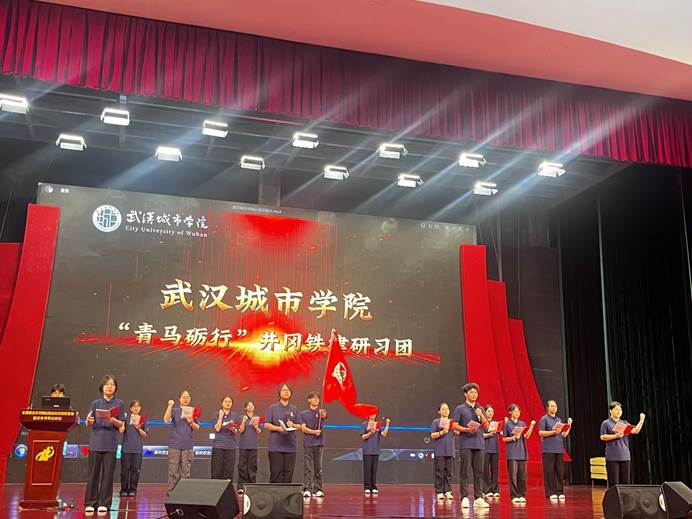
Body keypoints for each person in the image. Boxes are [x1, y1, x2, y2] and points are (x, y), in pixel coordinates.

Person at [83, 375, 125, 515]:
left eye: (112, 384)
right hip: (95, 443)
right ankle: (90, 503)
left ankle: (104, 503)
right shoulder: (95, 404)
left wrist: (112, 419)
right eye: (107, 384)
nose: (109, 387)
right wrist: (88, 421)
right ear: (102, 387)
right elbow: (88, 423)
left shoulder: (119, 404)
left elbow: (121, 427)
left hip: (110, 443)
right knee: (93, 474)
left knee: (108, 475)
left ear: (115, 387)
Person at [452, 382, 489, 509]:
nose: (474, 394)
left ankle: (479, 497)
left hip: (479, 444)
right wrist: (467, 430)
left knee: (479, 472)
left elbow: (486, 427)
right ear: (465, 394)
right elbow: (455, 425)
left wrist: (482, 415)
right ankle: (464, 497)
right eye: (471, 392)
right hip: (466, 443)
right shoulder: (460, 409)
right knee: (465, 472)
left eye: (476, 392)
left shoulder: (480, 408)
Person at [599, 401, 645, 487]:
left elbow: (635, 431)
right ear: (610, 411)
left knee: (625, 482)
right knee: (614, 483)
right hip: (612, 456)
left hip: (625, 455)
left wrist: (641, 420)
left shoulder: (624, 423)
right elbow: (602, 437)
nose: (619, 411)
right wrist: (616, 436)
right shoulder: (606, 423)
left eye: (620, 410)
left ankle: (624, 496)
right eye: (616, 409)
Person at [164, 390, 200, 495]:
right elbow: (166, 420)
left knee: (185, 471)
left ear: (190, 399)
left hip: (187, 445)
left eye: (187, 397)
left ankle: (184, 493)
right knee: (173, 471)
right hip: (174, 445)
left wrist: (191, 421)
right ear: (179, 398)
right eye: (183, 397)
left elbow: (197, 427)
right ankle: (171, 493)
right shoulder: (175, 410)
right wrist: (169, 406)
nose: (185, 399)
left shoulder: (193, 411)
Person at [264, 383, 299, 483]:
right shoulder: (272, 408)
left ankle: (286, 493)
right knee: (276, 474)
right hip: (276, 446)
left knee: (288, 475)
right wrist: (278, 428)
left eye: (288, 390)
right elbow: (266, 424)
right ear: (279, 393)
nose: (286, 392)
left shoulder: (294, 409)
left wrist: (293, 425)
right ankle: (275, 493)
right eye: (284, 390)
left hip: (290, 446)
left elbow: (300, 425)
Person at [538, 400, 572, 501]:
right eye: (552, 406)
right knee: (549, 471)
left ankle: (560, 492)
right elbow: (540, 433)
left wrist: (569, 426)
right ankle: (550, 492)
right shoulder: (544, 419)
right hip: (548, 449)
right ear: (547, 408)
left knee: (560, 471)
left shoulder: (559, 420)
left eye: (555, 406)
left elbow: (564, 435)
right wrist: (553, 432)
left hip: (559, 449)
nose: (554, 408)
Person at [502, 404, 535, 504]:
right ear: (510, 412)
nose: (517, 413)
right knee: (513, 476)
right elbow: (504, 439)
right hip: (512, 453)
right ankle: (514, 495)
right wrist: (513, 438)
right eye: (515, 411)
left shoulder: (522, 423)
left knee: (522, 476)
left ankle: (522, 494)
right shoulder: (507, 424)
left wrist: (531, 427)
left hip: (522, 452)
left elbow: (526, 436)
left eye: (518, 411)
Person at [300, 392, 328, 498]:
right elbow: (303, 428)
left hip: (319, 443)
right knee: (307, 467)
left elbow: (324, 415)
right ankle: (307, 489)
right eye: (313, 398)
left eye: (317, 398)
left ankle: (318, 489)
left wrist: (323, 414)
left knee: (318, 467)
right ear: (309, 400)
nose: (316, 400)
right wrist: (313, 432)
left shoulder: (321, 412)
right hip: (308, 443)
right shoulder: (304, 414)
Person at [120, 400, 148, 498]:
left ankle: (133, 489)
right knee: (125, 470)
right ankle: (124, 489)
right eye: (134, 406)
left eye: (138, 406)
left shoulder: (142, 420)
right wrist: (122, 420)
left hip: (137, 449)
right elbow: (121, 430)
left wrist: (138, 427)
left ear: (140, 408)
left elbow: (145, 434)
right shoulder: (126, 418)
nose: (136, 408)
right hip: (126, 448)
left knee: (135, 470)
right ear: (130, 408)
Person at [211, 396, 241, 485]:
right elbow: (217, 428)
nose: (228, 403)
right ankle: (216, 490)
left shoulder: (235, 416)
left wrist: (232, 429)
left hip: (230, 446)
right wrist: (221, 416)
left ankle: (228, 491)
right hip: (218, 446)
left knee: (229, 471)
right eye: (226, 401)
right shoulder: (217, 414)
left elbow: (236, 431)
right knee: (217, 471)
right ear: (222, 403)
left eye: (229, 402)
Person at [361, 414, 390, 495]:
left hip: (376, 450)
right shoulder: (364, 424)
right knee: (367, 470)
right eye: (371, 413)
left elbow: (384, 434)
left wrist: (387, 424)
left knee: (374, 470)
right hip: (367, 450)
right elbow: (363, 437)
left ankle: (373, 487)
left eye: (374, 413)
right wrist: (371, 432)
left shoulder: (377, 424)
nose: (373, 415)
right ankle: (367, 487)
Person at [431, 403, 454, 500]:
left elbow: (457, 432)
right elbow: (432, 435)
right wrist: (442, 432)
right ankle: (439, 492)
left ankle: (448, 491)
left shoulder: (452, 422)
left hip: (450, 450)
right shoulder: (436, 422)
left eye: (447, 409)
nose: (446, 411)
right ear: (439, 411)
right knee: (439, 472)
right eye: (443, 409)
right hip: (440, 450)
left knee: (449, 472)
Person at [237, 401, 262, 494]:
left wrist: (256, 426)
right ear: (245, 408)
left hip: (253, 445)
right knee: (242, 466)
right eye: (249, 405)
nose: (251, 406)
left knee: (252, 466)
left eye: (252, 405)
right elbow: (240, 431)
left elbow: (259, 431)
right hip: (243, 445)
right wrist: (243, 421)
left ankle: (252, 485)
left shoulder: (256, 418)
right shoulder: (241, 417)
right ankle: (241, 486)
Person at [482, 404, 500, 498]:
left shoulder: (496, 423)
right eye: (488, 411)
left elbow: (502, 433)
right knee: (485, 470)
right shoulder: (483, 422)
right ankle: (487, 489)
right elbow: (480, 435)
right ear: (485, 412)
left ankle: (495, 490)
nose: (490, 413)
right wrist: (489, 434)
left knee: (495, 470)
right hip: (485, 449)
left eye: (492, 411)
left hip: (495, 449)